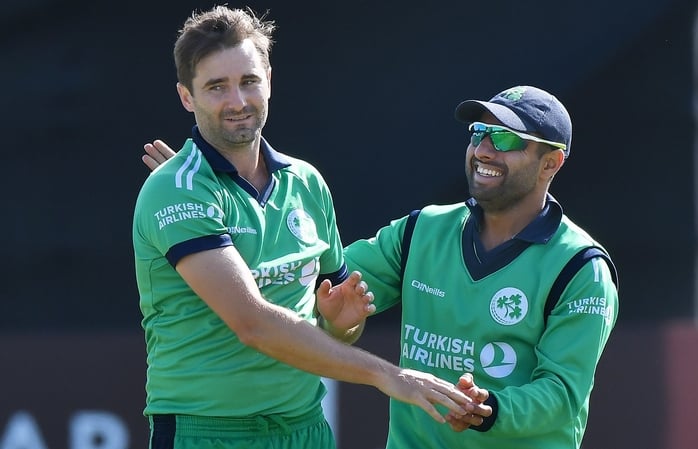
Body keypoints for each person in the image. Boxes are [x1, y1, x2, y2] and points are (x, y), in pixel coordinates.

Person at [142, 84, 618, 448]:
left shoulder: (580, 267)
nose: (484, 150)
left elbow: (561, 396)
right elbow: (302, 284)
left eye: (505, 138)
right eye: (478, 133)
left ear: (551, 163)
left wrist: (489, 408)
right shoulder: (422, 231)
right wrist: (212, 202)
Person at [132, 6, 472, 449]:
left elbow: (332, 321)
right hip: (207, 431)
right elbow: (252, 323)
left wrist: (341, 324)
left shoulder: (306, 181)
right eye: (216, 87)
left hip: (305, 428)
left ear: (268, 79)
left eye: (248, 81)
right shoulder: (174, 189)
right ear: (186, 96)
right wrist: (388, 375)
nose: (237, 101)